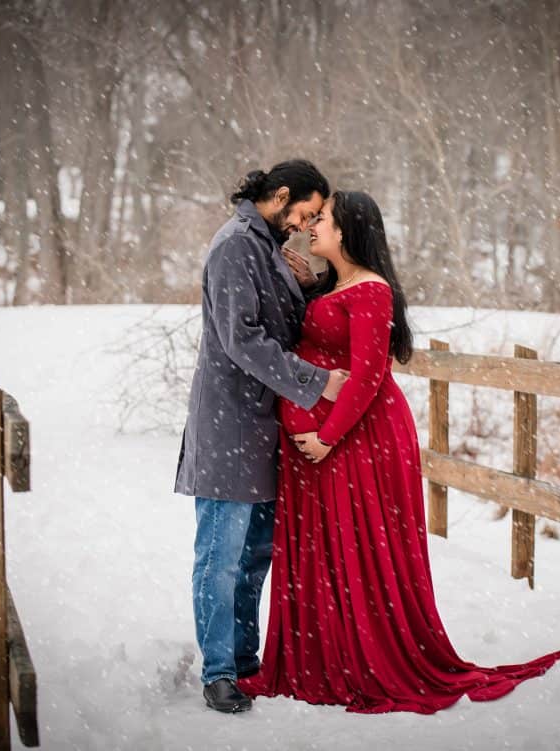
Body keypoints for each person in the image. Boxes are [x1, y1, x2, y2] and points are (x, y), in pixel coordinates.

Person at [239, 191, 560, 713]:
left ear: (347, 230)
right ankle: (323, 658)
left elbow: (369, 376)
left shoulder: (371, 291)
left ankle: (364, 658)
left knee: (356, 550)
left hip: (354, 443)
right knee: (324, 554)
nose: (312, 227)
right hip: (322, 451)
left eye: (321, 219)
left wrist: (327, 436)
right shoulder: (335, 284)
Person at [174, 160, 349, 713]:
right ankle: (219, 672)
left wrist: (312, 282)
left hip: (260, 428)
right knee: (219, 560)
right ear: (280, 195)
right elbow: (242, 340)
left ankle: (245, 662)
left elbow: (279, 319)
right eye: (308, 211)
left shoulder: (266, 244)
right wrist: (317, 384)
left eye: (318, 217)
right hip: (229, 423)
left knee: (252, 560)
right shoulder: (235, 246)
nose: (309, 222)